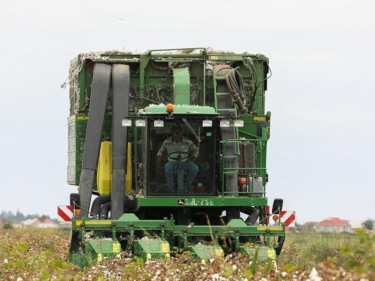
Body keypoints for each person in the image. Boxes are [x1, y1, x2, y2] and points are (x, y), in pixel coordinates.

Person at [157, 125, 199, 191]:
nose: (177, 135)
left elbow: (195, 150)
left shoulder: (188, 142)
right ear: (172, 133)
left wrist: (193, 157)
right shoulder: (166, 142)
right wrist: (159, 157)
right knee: (167, 167)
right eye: (175, 133)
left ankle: (186, 186)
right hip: (172, 163)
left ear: (181, 133)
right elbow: (161, 151)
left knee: (195, 168)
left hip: (184, 162)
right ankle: (171, 187)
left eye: (178, 133)